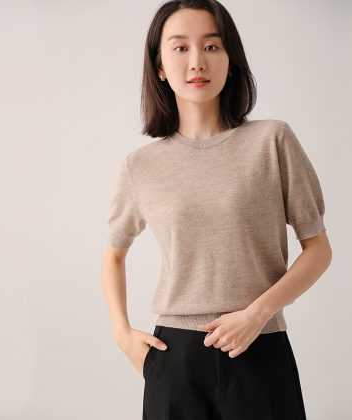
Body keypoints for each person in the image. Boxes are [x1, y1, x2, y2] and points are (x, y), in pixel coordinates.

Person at [100, 0, 333, 419]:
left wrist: (257, 314)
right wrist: (121, 333)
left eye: (211, 46)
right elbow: (114, 255)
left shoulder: (273, 141)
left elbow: (318, 250)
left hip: (258, 345)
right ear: (159, 66)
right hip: (174, 357)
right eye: (180, 48)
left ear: (231, 59)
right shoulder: (140, 166)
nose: (197, 62)